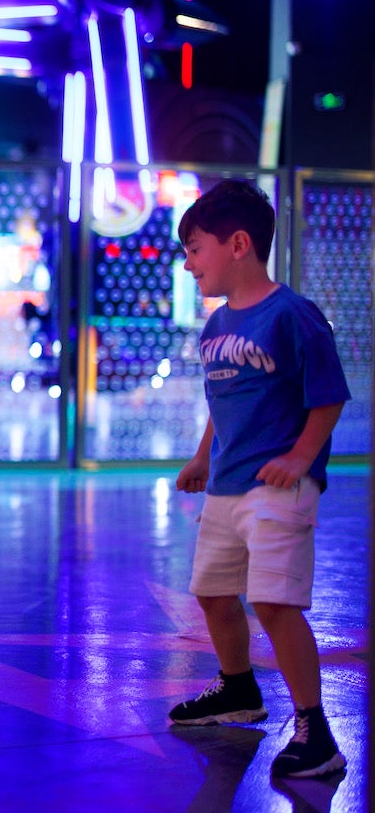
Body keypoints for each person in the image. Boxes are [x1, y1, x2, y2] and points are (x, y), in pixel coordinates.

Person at [166, 179, 349, 780]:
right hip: (225, 486)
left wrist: (300, 460)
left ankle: (315, 730)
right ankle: (238, 688)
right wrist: (200, 457)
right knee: (213, 594)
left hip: (278, 489)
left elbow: (328, 397)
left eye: (196, 249)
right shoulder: (216, 327)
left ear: (238, 244)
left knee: (273, 601)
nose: (188, 263)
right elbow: (224, 404)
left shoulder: (292, 316)